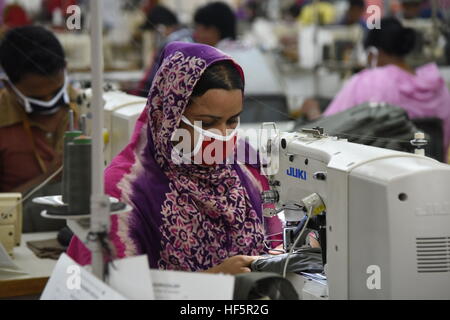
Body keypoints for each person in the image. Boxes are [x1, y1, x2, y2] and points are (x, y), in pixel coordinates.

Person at [67, 42, 283, 274]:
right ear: (168, 117)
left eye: (232, 121)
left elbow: (276, 242)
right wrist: (212, 281)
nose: (223, 136)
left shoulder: (244, 163)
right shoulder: (123, 192)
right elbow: (111, 289)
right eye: (207, 123)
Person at [322, 18, 450, 161]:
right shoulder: (438, 86)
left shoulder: (369, 80)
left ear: (372, 52)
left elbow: (327, 129)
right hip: (433, 172)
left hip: (380, 174)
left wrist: (312, 111)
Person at [0, 26, 78, 232]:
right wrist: (48, 177)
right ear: (8, 86)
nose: (49, 102)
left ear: (65, 70)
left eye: (55, 92)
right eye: (36, 98)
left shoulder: (89, 107)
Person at [133, 5, 193, 97]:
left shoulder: (172, 44)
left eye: (153, 32)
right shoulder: (188, 38)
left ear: (161, 28)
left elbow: (154, 79)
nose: (153, 37)